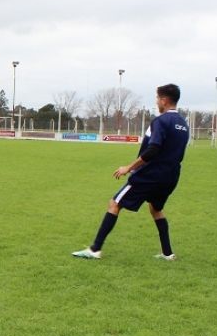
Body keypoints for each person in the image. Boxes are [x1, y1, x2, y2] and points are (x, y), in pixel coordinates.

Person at [72, 83, 189, 261]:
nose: (157, 102)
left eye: (158, 98)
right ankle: (167, 253)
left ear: (164, 100)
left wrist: (129, 167)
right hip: (171, 176)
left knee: (114, 204)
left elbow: (152, 150)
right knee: (156, 208)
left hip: (150, 175)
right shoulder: (183, 124)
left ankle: (95, 249)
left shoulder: (161, 121)